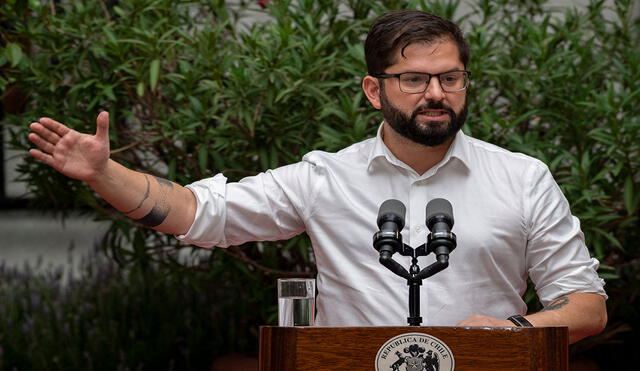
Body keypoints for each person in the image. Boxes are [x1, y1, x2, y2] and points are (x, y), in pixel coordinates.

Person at [27, 10, 606, 343]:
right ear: (373, 89)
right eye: (414, 79)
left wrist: (511, 333)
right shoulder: (325, 178)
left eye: (450, 78)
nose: (436, 94)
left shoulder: (523, 178)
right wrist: (105, 174)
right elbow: (199, 215)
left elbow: (585, 306)